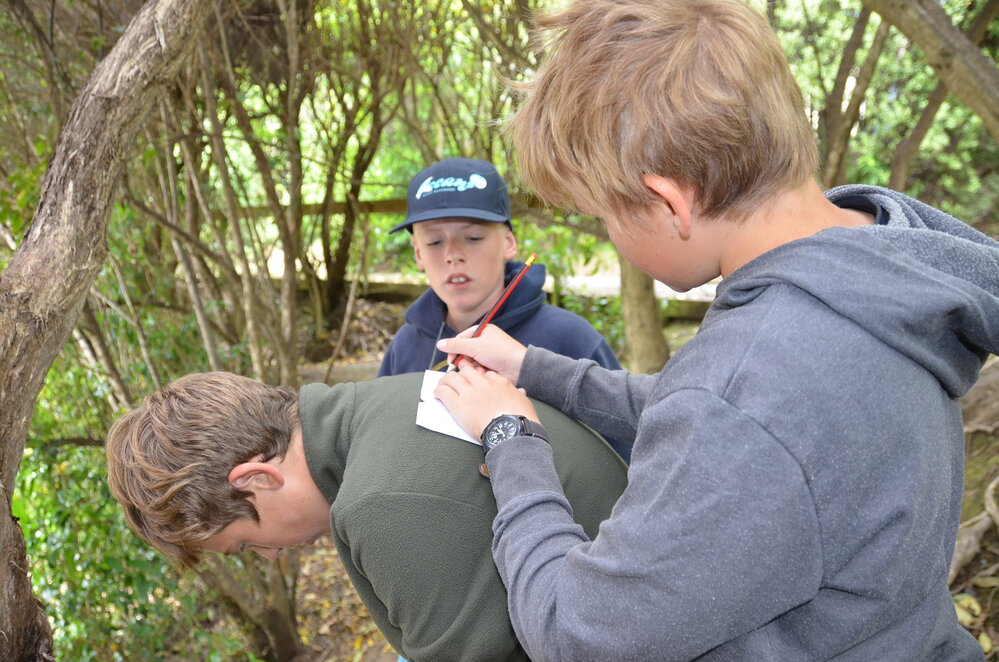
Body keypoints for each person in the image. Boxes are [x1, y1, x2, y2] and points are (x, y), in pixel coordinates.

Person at [431, 1, 999, 660]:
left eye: (604, 217)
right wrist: (532, 369)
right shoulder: (870, 276)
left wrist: (511, 442)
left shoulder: (751, 385)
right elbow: (724, 417)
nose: (611, 238)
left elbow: (579, 633)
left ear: (669, 202)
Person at [104, 371, 627, 662]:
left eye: (245, 542)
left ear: (257, 480)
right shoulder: (380, 405)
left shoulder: (379, 505)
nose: (267, 555)